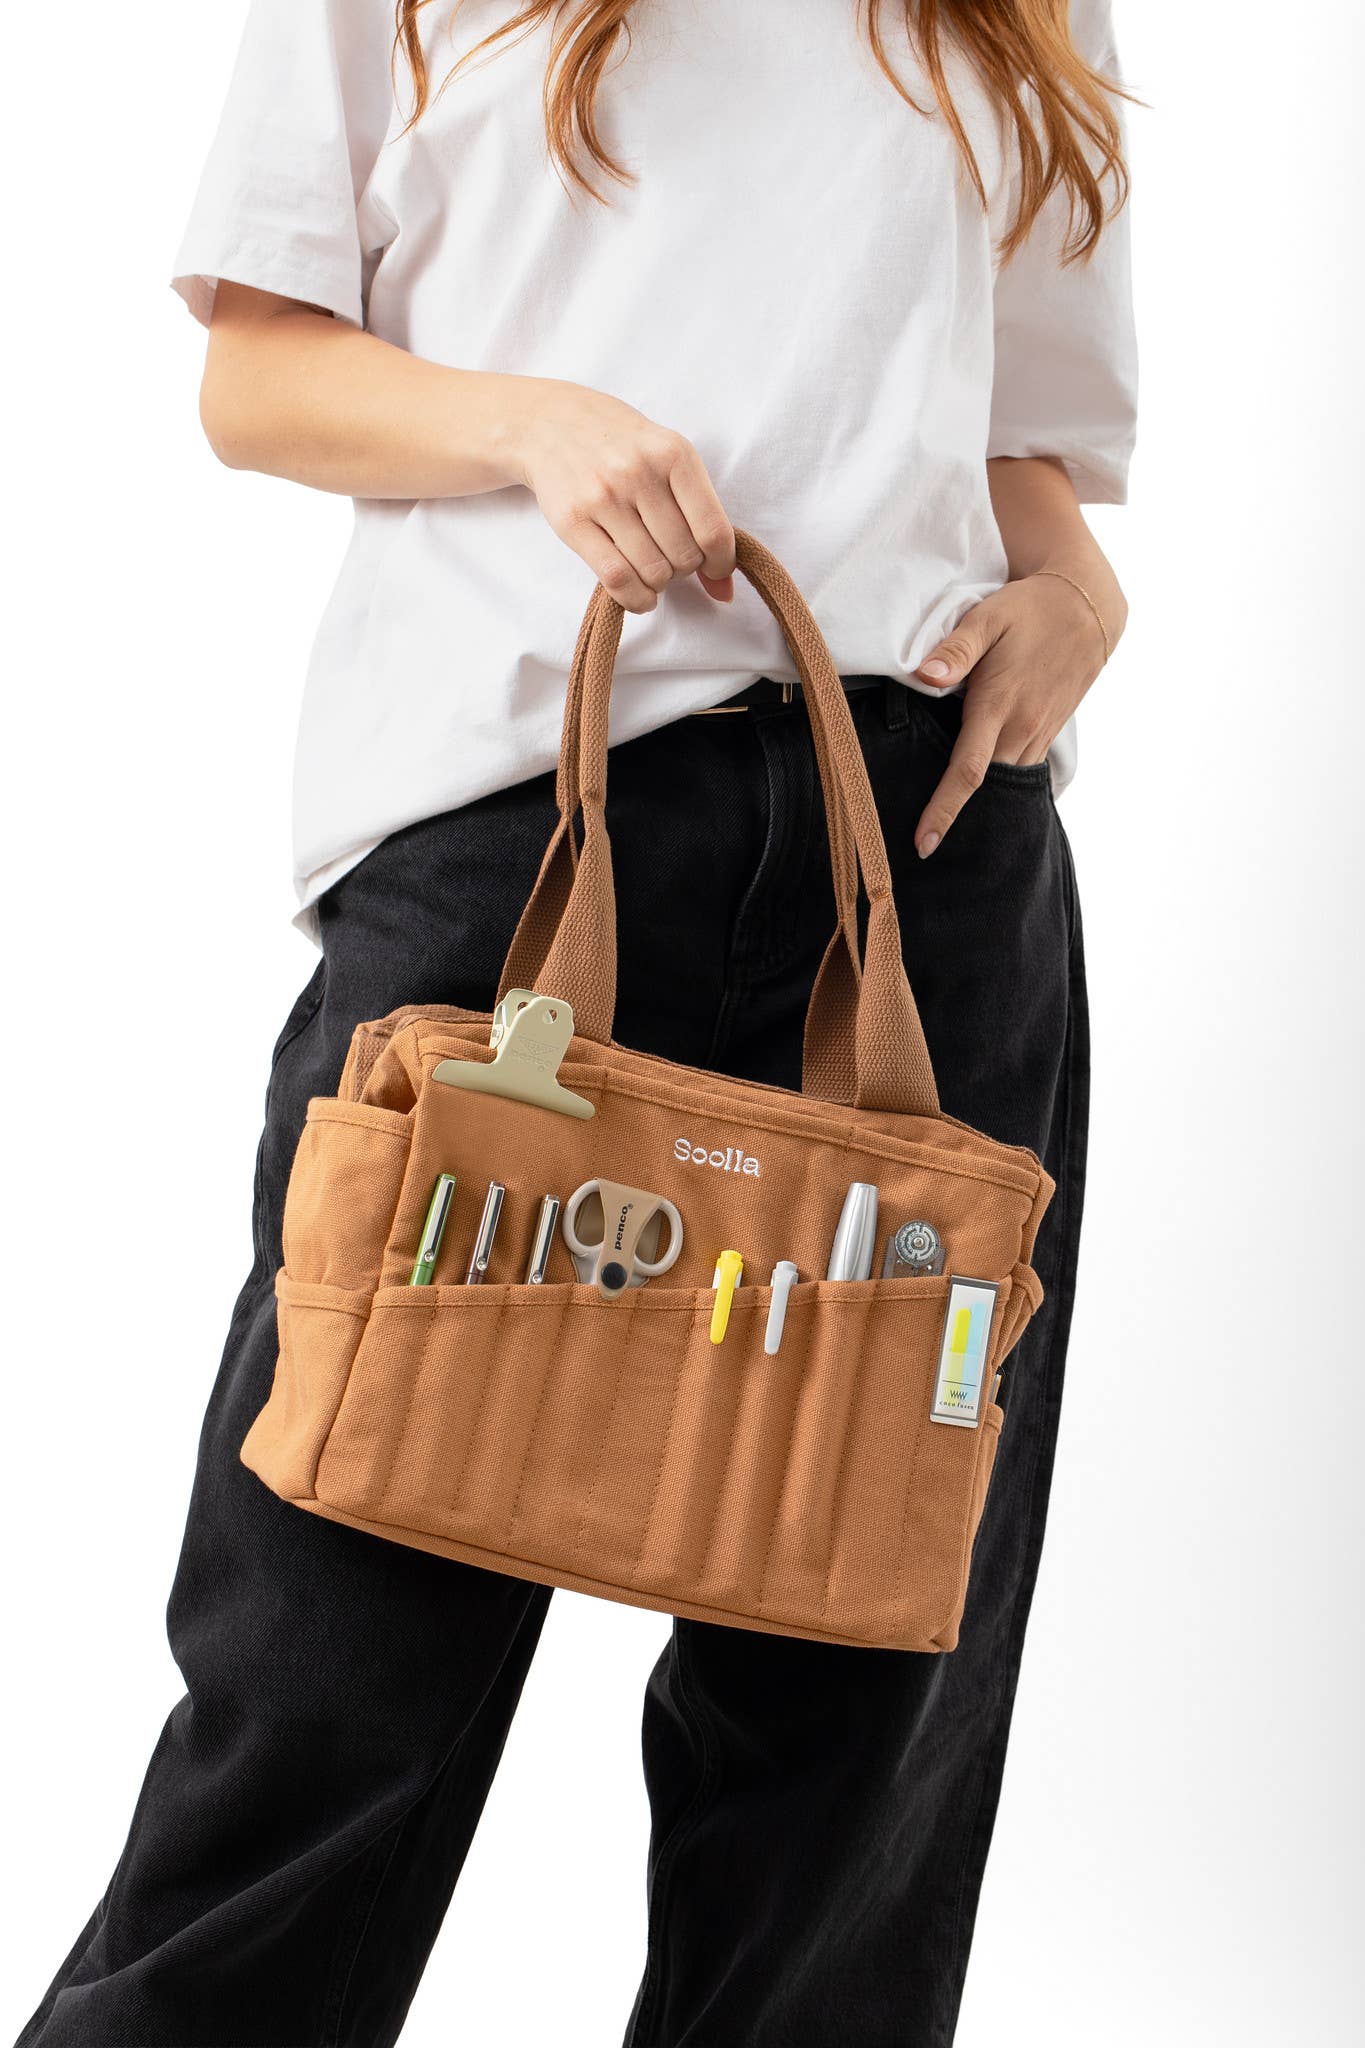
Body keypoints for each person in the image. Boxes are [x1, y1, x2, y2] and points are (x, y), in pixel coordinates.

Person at [14, 1, 1136, 2042]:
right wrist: (532, 423)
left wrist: (1074, 596)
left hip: (925, 859)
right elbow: (254, 373)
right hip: (518, 841)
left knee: (858, 1717)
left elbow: (1017, 458)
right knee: (330, 1665)